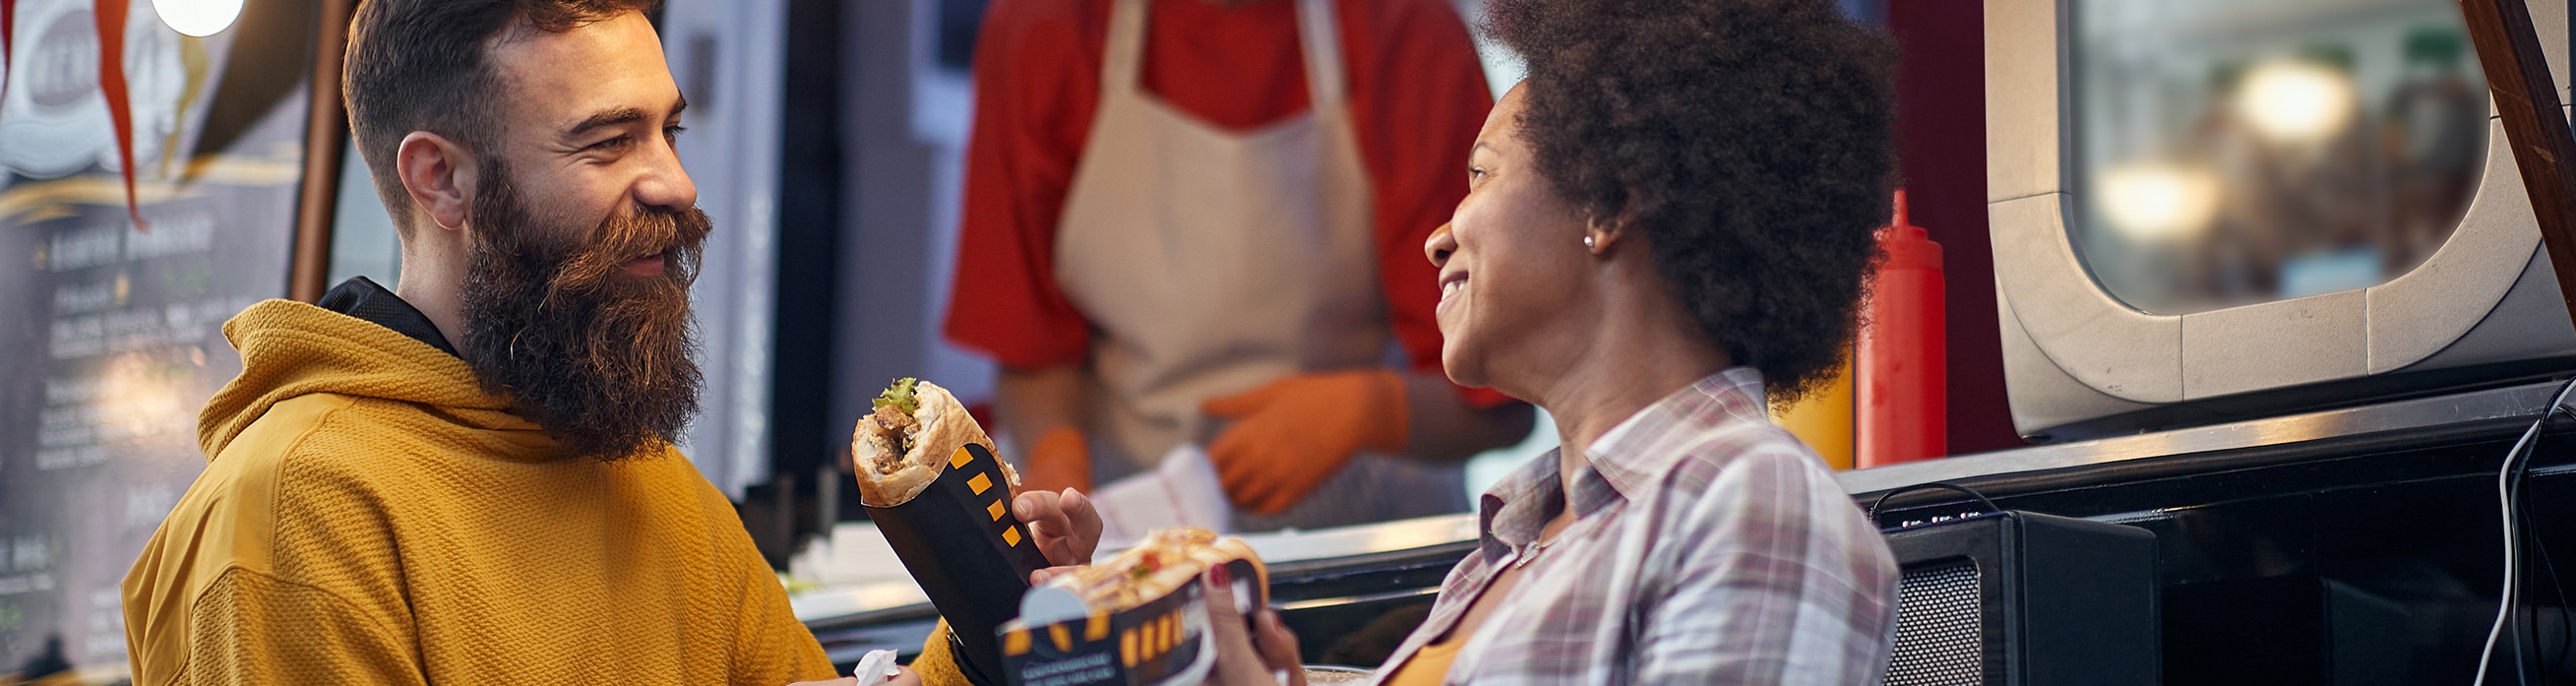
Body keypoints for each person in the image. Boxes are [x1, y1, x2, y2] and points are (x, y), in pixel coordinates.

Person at [116, 1, 1100, 684]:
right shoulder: (295, 516)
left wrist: (986, 628)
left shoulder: (654, 488)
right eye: (606, 141)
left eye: (668, 130)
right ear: (441, 180)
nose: (674, 182)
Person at [1200, 0, 1903, 682]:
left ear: (1608, 200)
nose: (1437, 237)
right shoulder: (1506, 550)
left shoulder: (1751, 501)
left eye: (1481, 174)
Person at [947, 0, 1536, 530]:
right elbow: (1031, 352)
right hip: (1128, 533)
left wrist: (1370, 411)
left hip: (1365, 548)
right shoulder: (1045, 26)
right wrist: (1058, 474)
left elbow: (1504, 403)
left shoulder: (1405, 31)